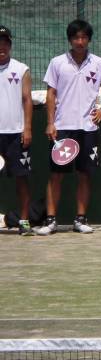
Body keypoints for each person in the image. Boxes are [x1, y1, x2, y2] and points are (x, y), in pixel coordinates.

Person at [35, 20, 101, 235]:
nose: (80, 41)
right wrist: (50, 123)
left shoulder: (99, 64)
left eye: (84, 37)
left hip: (88, 129)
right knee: (56, 175)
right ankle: (50, 221)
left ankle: (80, 219)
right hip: (62, 127)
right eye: (76, 38)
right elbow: (51, 93)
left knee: (85, 174)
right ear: (70, 39)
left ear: (89, 39)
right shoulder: (57, 63)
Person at [0, 26, 34, 236]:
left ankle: (24, 222)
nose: (1, 46)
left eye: (4, 42)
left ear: (10, 45)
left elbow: (27, 99)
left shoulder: (21, 69)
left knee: (22, 179)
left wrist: (27, 128)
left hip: (16, 135)